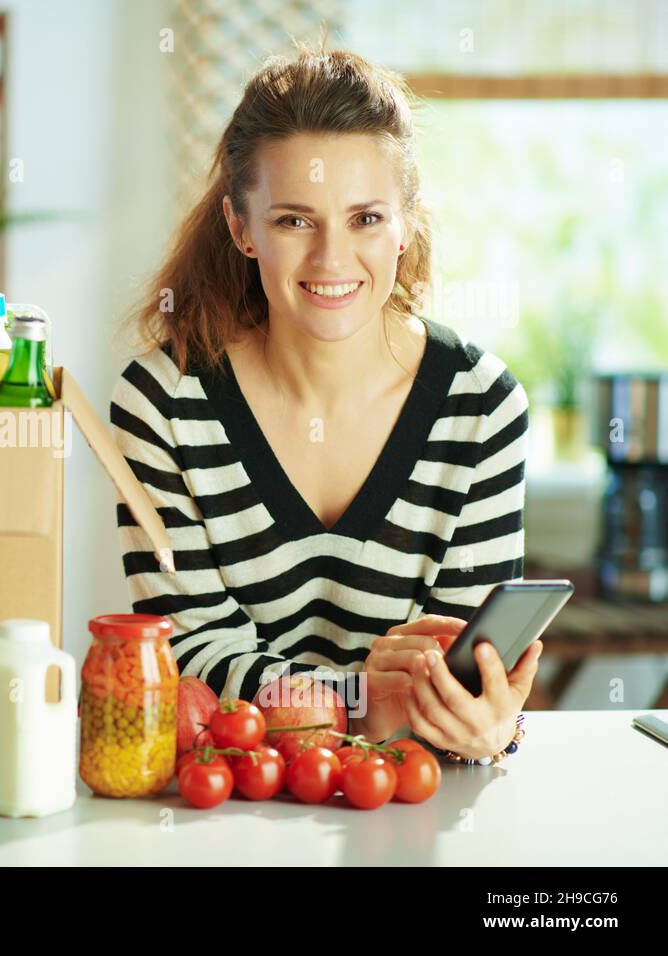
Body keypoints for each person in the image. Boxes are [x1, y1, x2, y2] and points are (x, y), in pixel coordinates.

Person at [111, 45, 539, 763]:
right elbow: (188, 659)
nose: (332, 260)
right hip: (228, 801)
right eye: (294, 221)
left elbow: (462, 674)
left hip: (414, 800)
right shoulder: (164, 403)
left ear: (407, 223)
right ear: (241, 228)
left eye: (366, 218)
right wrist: (365, 701)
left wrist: (494, 724)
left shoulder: (481, 408)